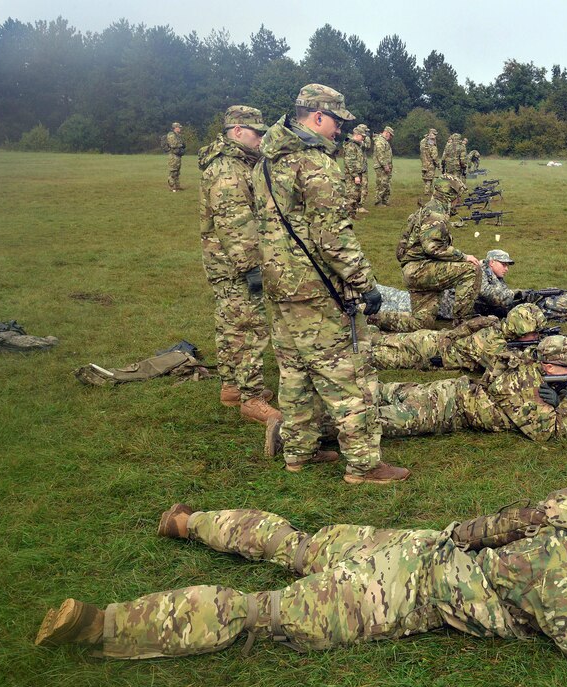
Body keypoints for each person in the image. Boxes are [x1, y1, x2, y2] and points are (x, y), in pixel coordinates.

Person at [34, 482, 567, 676]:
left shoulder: (555, 519)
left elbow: (485, 528)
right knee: (259, 613)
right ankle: (102, 624)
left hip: (411, 545)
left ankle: (188, 522)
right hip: (392, 594)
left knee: (298, 544)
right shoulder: (563, 568)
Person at [250, 83, 408, 483]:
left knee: (293, 371)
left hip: (279, 283)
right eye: (337, 121)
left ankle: (298, 453)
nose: (340, 129)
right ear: (317, 116)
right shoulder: (315, 164)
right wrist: (365, 283)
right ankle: (363, 464)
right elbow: (332, 235)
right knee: (346, 375)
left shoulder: (266, 161)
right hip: (315, 286)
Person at [197, 105, 279, 424]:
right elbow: (234, 221)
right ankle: (251, 398)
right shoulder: (228, 168)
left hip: (225, 262)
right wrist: (252, 267)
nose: (261, 138)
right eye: (257, 132)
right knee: (249, 327)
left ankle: (231, 386)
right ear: (237, 131)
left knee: (229, 324)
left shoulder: (238, 162)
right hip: (235, 263)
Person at [371, 334, 567, 442]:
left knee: (377, 391)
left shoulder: (529, 363)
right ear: (549, 366)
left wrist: (559, 399)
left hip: (452, 390)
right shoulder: (526, 384)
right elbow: (549, 432)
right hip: (441, 411)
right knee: (366, 423)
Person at [397, 174, 481, 330]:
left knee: (421, 323)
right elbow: (433, 247)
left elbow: (402, 249)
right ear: (449, 196)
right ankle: (462, 324)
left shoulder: (427, 210)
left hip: (415, 269)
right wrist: (463, 257)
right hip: (420, 270)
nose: (459, 201)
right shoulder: (435, 214)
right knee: (472, 270)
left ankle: (373, 318)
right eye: (457, 197)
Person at [370, 302, 545, 373]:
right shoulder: (492, 345)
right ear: (519, 329)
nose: (536, 336)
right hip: (424, 353)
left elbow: (468, 326)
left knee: (377, 338)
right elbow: (513, 367)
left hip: (431, 338)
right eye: (533, 332)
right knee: (366, 357)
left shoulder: (494, 324)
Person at [474, 249, 537, 317]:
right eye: (503, 265)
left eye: (507, 266)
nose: (506, 269)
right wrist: (515, 294)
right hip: (474, 315)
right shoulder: (479, 273)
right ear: (492, 263)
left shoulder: (494, 274)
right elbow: (494, 297)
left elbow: (503, 292)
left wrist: (521, 296)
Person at [342, 124, 369, 217]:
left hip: (358, 173)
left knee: (356, 194)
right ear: (357, 135)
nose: (363, 138)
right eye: (362, 136)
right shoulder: (351, 146)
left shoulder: (357, 145)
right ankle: (348, 214)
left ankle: (352, 213)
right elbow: (350, 162)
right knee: (351, 195)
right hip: (352, 175)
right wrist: (355, 175)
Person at [372, 126, 394, 206]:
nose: (391, 137)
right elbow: (380, 155)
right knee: (381, 184)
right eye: (390, 135)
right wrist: (385, 166)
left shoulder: (383, 141)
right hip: (381, 167)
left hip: (385, 166)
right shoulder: (380, 141)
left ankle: (385, 200)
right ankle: (378, 201)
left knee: (386, 183)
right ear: (387, 132)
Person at [419, 128, 440, 197]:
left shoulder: (423, 141)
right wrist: (438, 164)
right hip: (430, 164)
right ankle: (427, 191)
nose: (435, 136)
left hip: (424, 163)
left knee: (425, 177)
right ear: (431, 134)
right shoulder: (431, 143)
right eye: (434, 134)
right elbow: (434, 155)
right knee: (429, 179)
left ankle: (427, 190)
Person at [165, 122, 185, 191]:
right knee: (173, 172)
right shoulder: (171, 135)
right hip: (173, 156)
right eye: (179, 127)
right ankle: (172, 187)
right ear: (175, 128)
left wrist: (181, 144)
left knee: (177, 172)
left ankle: (177, 186)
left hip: (177, 155)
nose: (180, 129)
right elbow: (173, 145)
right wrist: (181, 145)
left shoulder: (177, 135)